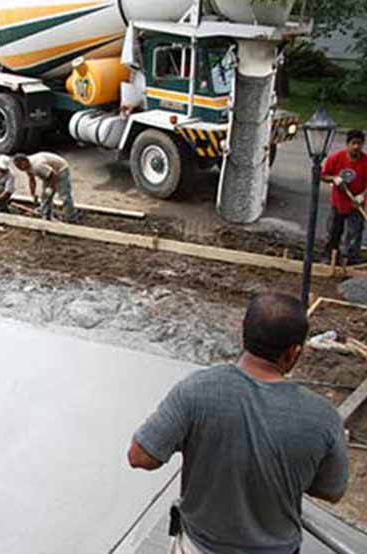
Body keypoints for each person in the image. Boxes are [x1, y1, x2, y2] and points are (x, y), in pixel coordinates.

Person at [128, 293, 349, 554]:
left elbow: (140, 457)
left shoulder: (197, 390)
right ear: (293, 352)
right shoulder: (323, 417)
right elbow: (333, 490)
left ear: (243, 334)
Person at [322, 129, 367, 265]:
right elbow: (323, 175)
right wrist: (334, 179)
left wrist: (362, 196)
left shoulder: (366, 162)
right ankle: (330, 257)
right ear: (347, 144)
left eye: (359, 144)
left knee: (354, 234)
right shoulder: (336, 158)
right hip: (338, 203)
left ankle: (351, 260)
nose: (356, 147)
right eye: (353, 143)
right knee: (333, 233)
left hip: (356, 205)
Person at [12, 152, 77, 223]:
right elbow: (31, 179)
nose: (19, 169)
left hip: (61, 169)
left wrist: (51, 187)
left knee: (64, 196)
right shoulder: (26, 166)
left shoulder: (37, 166)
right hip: (49, 173)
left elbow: (53, 175)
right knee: (45, 196)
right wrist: (33, 194)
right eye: (17, 167)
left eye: (19, 166)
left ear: (24, 161)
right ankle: (46, 216)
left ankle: (70, 218)